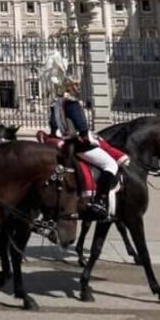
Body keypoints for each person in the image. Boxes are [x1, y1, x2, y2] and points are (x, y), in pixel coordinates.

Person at [45, 52, 118, 220]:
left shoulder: (56, 104)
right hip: (78, 144)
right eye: (75, 85)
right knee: (111, 164)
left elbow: (53, 126)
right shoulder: (72, 103)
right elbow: (82, 127)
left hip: (64, 142)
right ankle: (99, 201)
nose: (77, 88)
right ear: (68, 87)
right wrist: (88, 137)